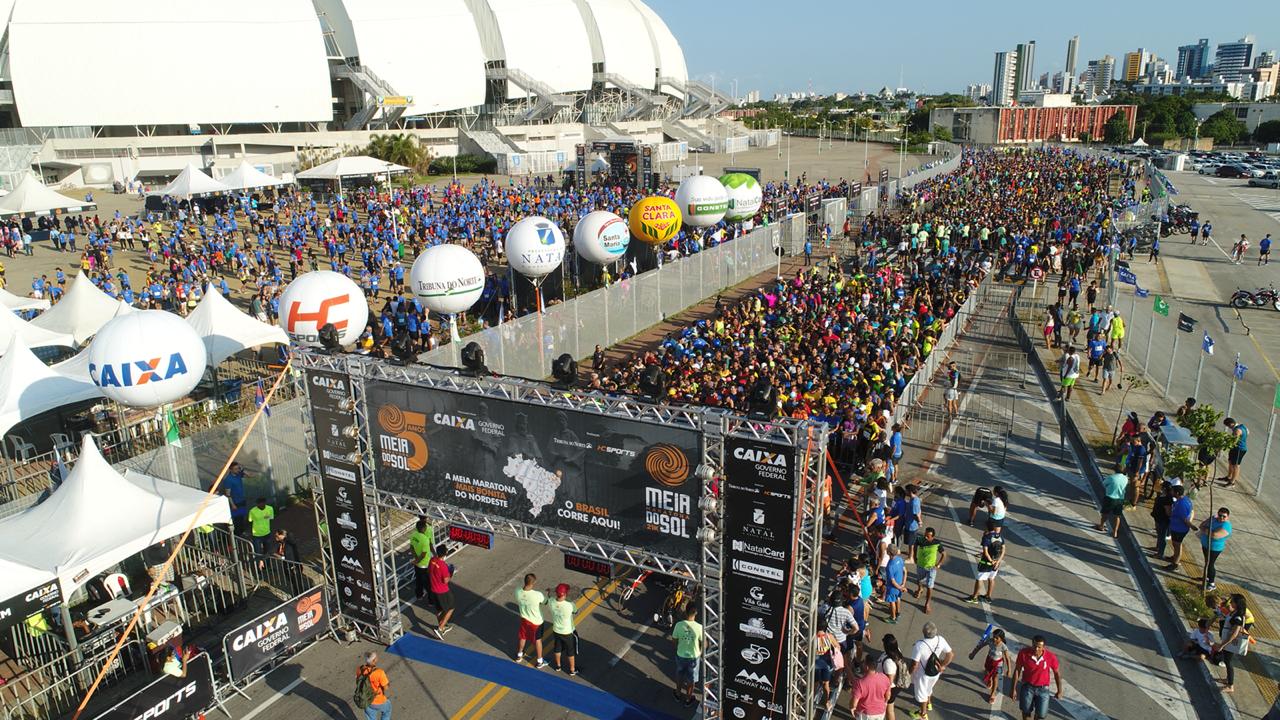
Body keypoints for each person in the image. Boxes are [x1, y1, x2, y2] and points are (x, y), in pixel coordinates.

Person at [1010, 635, 1063, 720]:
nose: (1036, 649)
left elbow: (1057, 673)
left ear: (1043, 647)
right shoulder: (1023, 653)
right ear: (1032, 644)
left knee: (1041, 715)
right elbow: (1017, 671)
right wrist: (1013, 689)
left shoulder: (1050, 657)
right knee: (1026, 711)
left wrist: (1059, 691)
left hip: (1043, 689)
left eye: (1039, 647)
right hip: (1028, 687)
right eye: (1034, 646)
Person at [908, 621, 953, 720]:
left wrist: (909, 674)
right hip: (935, 672)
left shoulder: (919, 645)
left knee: (922, 694)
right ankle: (929, 703)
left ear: (923, 632)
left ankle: (923, 714)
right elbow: (950, 655)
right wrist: (942, 666)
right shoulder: (940, 640)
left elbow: (915, 664)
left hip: (923, 674)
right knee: (929, 688)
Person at [1211, 594, 1251, 694]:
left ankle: (1230, 685)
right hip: (1227, 642)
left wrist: (1222, 645)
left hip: (1229, 643)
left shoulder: (1238, 617)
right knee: (1226, 660)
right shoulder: (1234, 612)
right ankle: (1227, 679)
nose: (1231, 603)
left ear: (1237, 604)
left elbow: (1234, 634)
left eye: (1232, 601)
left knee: (1228, 663)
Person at [968, 626, 1012, 704]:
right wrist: (973, 654)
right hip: (989, 660)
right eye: (994, 637)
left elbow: (1007, 659)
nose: (994, 639)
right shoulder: (990, 641)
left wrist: (1009, 670)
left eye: (997, 638)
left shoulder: (1003, 647)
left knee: (995, 677)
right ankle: (989, 681)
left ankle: (993, 694)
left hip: (998, 664)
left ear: (1001, 638)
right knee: (987, 673)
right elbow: (980, 646)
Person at [966, 521, 1005, 604]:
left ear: (987, 527)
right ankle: (988, 596)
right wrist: (997, 561)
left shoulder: (987, 537)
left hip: (986, 563)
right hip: (996, 563)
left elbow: (985, 552)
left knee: (979, 579)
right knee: (991, 578)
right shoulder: (1000, 536)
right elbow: (1003, 550)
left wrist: (991, 561)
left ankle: (974, 597)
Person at [671, 606, 702, 708]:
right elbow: (705, 643)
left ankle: (678, 693)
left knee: (680, 675)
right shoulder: (699, 627)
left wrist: (678, 648)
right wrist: (700, 651)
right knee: (691, 679)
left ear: (685, 612)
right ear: (695, 613)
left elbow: (674, 640)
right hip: (694, 657)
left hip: (680, 655)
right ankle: (688, 698)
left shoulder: (679, 625)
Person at [514, 573, 547, 666]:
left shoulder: (517, 591)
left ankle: (519, 655)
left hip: (524, 620)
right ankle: (540, 661)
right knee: (538, 640)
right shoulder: (537, 595)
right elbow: (545, 602)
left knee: (523, 637)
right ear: (533, 583)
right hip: (536, 622)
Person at [911, 527, 946, 614]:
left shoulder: (937, 543)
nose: (925, 537)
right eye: (925, 535)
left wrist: (938, 564)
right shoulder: (920, 540)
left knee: (930, 586)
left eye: (928, 536)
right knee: (919, 580)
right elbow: (915, 546)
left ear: (933, 537)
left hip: (931, 568)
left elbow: (944, 554)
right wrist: (914, 556)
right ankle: (920, 589)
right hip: (920, 566)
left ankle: (927, 603)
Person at [876, 634, 910, 720]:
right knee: (889, 708)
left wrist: (887, 693)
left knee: (889, 709)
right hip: (894, 687)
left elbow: (889, 681)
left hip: (890, 688)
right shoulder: (897, 651)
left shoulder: (889, 663)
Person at [546, 583, 578, 675]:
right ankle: (572, 670)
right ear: (564, 594)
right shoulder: (569, 604)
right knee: (570, 651)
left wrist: (549, 592)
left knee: (557, 648)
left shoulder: (551, 602)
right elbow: (576, 611)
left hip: (556, 630)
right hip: (567, 631)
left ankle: (558, 666)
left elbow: (549, 597)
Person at [1198, 507, 1232, 591]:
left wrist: (1206, 530)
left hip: (1214, 548)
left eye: (1224, 516)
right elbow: (1201, 525)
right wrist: (1209, 523)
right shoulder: (1213, 519)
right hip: (1205, 545)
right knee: (1207, 562)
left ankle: (1211, 583)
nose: (1221, 518)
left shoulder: (1226, 525)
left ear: (1228, 517)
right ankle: (1207, 577)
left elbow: (1215, 535)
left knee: (1210, 564)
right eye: (1220, 515)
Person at [849, 655, 892, 720]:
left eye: (863, 662)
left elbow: (854, 703)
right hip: (880, 712)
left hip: (866, 714)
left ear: (866, 667)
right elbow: (888, 696)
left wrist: (852, 708)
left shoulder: (860, 683)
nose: (862, 664)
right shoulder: (884, 678)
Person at [426, 546, 455, 638]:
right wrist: (451, 573)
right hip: (442, 591)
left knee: (439, 609)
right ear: (445, 554)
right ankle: (440, 628)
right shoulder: (443, 565)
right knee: (451, 608)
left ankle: (442, 627)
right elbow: (446, 580)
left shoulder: (432, 560)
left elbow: (429, 571)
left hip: (433, 589)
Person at [1166, 485, 1194, 571]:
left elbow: (1185, 519)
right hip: (1176, 527)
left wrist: (1192, 526)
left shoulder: (1182, 504)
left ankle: (1175, 564)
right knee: (1175, 544)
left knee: (1177, 545)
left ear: (1177, 493)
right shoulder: (1184, 500)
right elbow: (1192, 511)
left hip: (1179, 529)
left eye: (1172, 491)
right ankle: (1175, 557)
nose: (1171, 492)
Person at [356, 651, 391, 720]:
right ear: (374, 660)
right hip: (379, 700)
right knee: (387, 711)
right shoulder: (379, 672)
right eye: (376, 657)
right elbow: (386, 687)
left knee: (371, 718)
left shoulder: (359, 669)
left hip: (366, 699)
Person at [1097, 463, 1128, 537]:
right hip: (1120, 499)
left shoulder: (1111, 477)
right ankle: (1115, 532)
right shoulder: (1125, 478)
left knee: (1105, 513)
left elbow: (1104, 484)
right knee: (1117, 516)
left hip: (1110, 498)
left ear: (1115, 470)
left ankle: (1101, 526)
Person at [409, 519, 434, 602]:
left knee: (418, 581)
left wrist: (416, 558)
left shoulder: (413, 535)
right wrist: (417, 560)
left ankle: (419, 595)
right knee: (428, 584)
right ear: (424, 529)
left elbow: (411, 547)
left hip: (417, 565)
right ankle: (431, 600)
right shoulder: (425, 539)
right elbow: (424, 554)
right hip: (425, 565)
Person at [1151, 481, 1174, 559]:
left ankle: (1160, 553)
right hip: (1158, 518)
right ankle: (1157, 547)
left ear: (1164, 488)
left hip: (1163, 520)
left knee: (1162, 537)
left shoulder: (1167, 498)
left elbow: (1168, 512)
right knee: (1159, 534)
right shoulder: (1162, 495)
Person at [1222, 418, 1247, 488]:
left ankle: (1232, 482)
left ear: (1231, 424)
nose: (1228, 428)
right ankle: (1229, 476)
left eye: (1228, 426)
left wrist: (1225, 441)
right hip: (1234, 448)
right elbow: (1248, 432)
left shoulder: (1237, 430)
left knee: (1236, 465)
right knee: (1230, 462)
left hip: (1239, 449)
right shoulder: (1242, 426)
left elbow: (1234, 441)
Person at [883, 546, 906, 624]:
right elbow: (905, 571)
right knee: (898, 598)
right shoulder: (900, 559)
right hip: (900, 584)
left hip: (892, 587)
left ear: (889, 553)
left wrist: (900, 588)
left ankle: (893, 618)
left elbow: (892, 581)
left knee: (892, 601)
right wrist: (903, 584)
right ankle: (898, 613)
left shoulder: (890, 566)